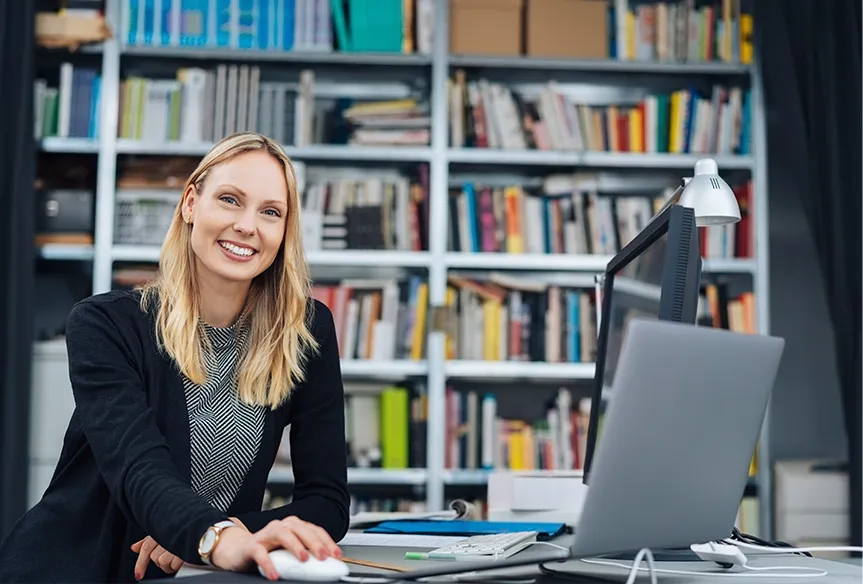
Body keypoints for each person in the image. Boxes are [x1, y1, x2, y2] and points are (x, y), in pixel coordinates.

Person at [0, 133, 350, 583]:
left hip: (192, 574)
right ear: (189, 204)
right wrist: (212, 538)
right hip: (74, 568)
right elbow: (140, 469)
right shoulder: (105, 325)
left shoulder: (304, 330)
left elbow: (327, 501)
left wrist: (229, 531)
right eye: (229, 199)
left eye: (270, 212)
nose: (248, 226)